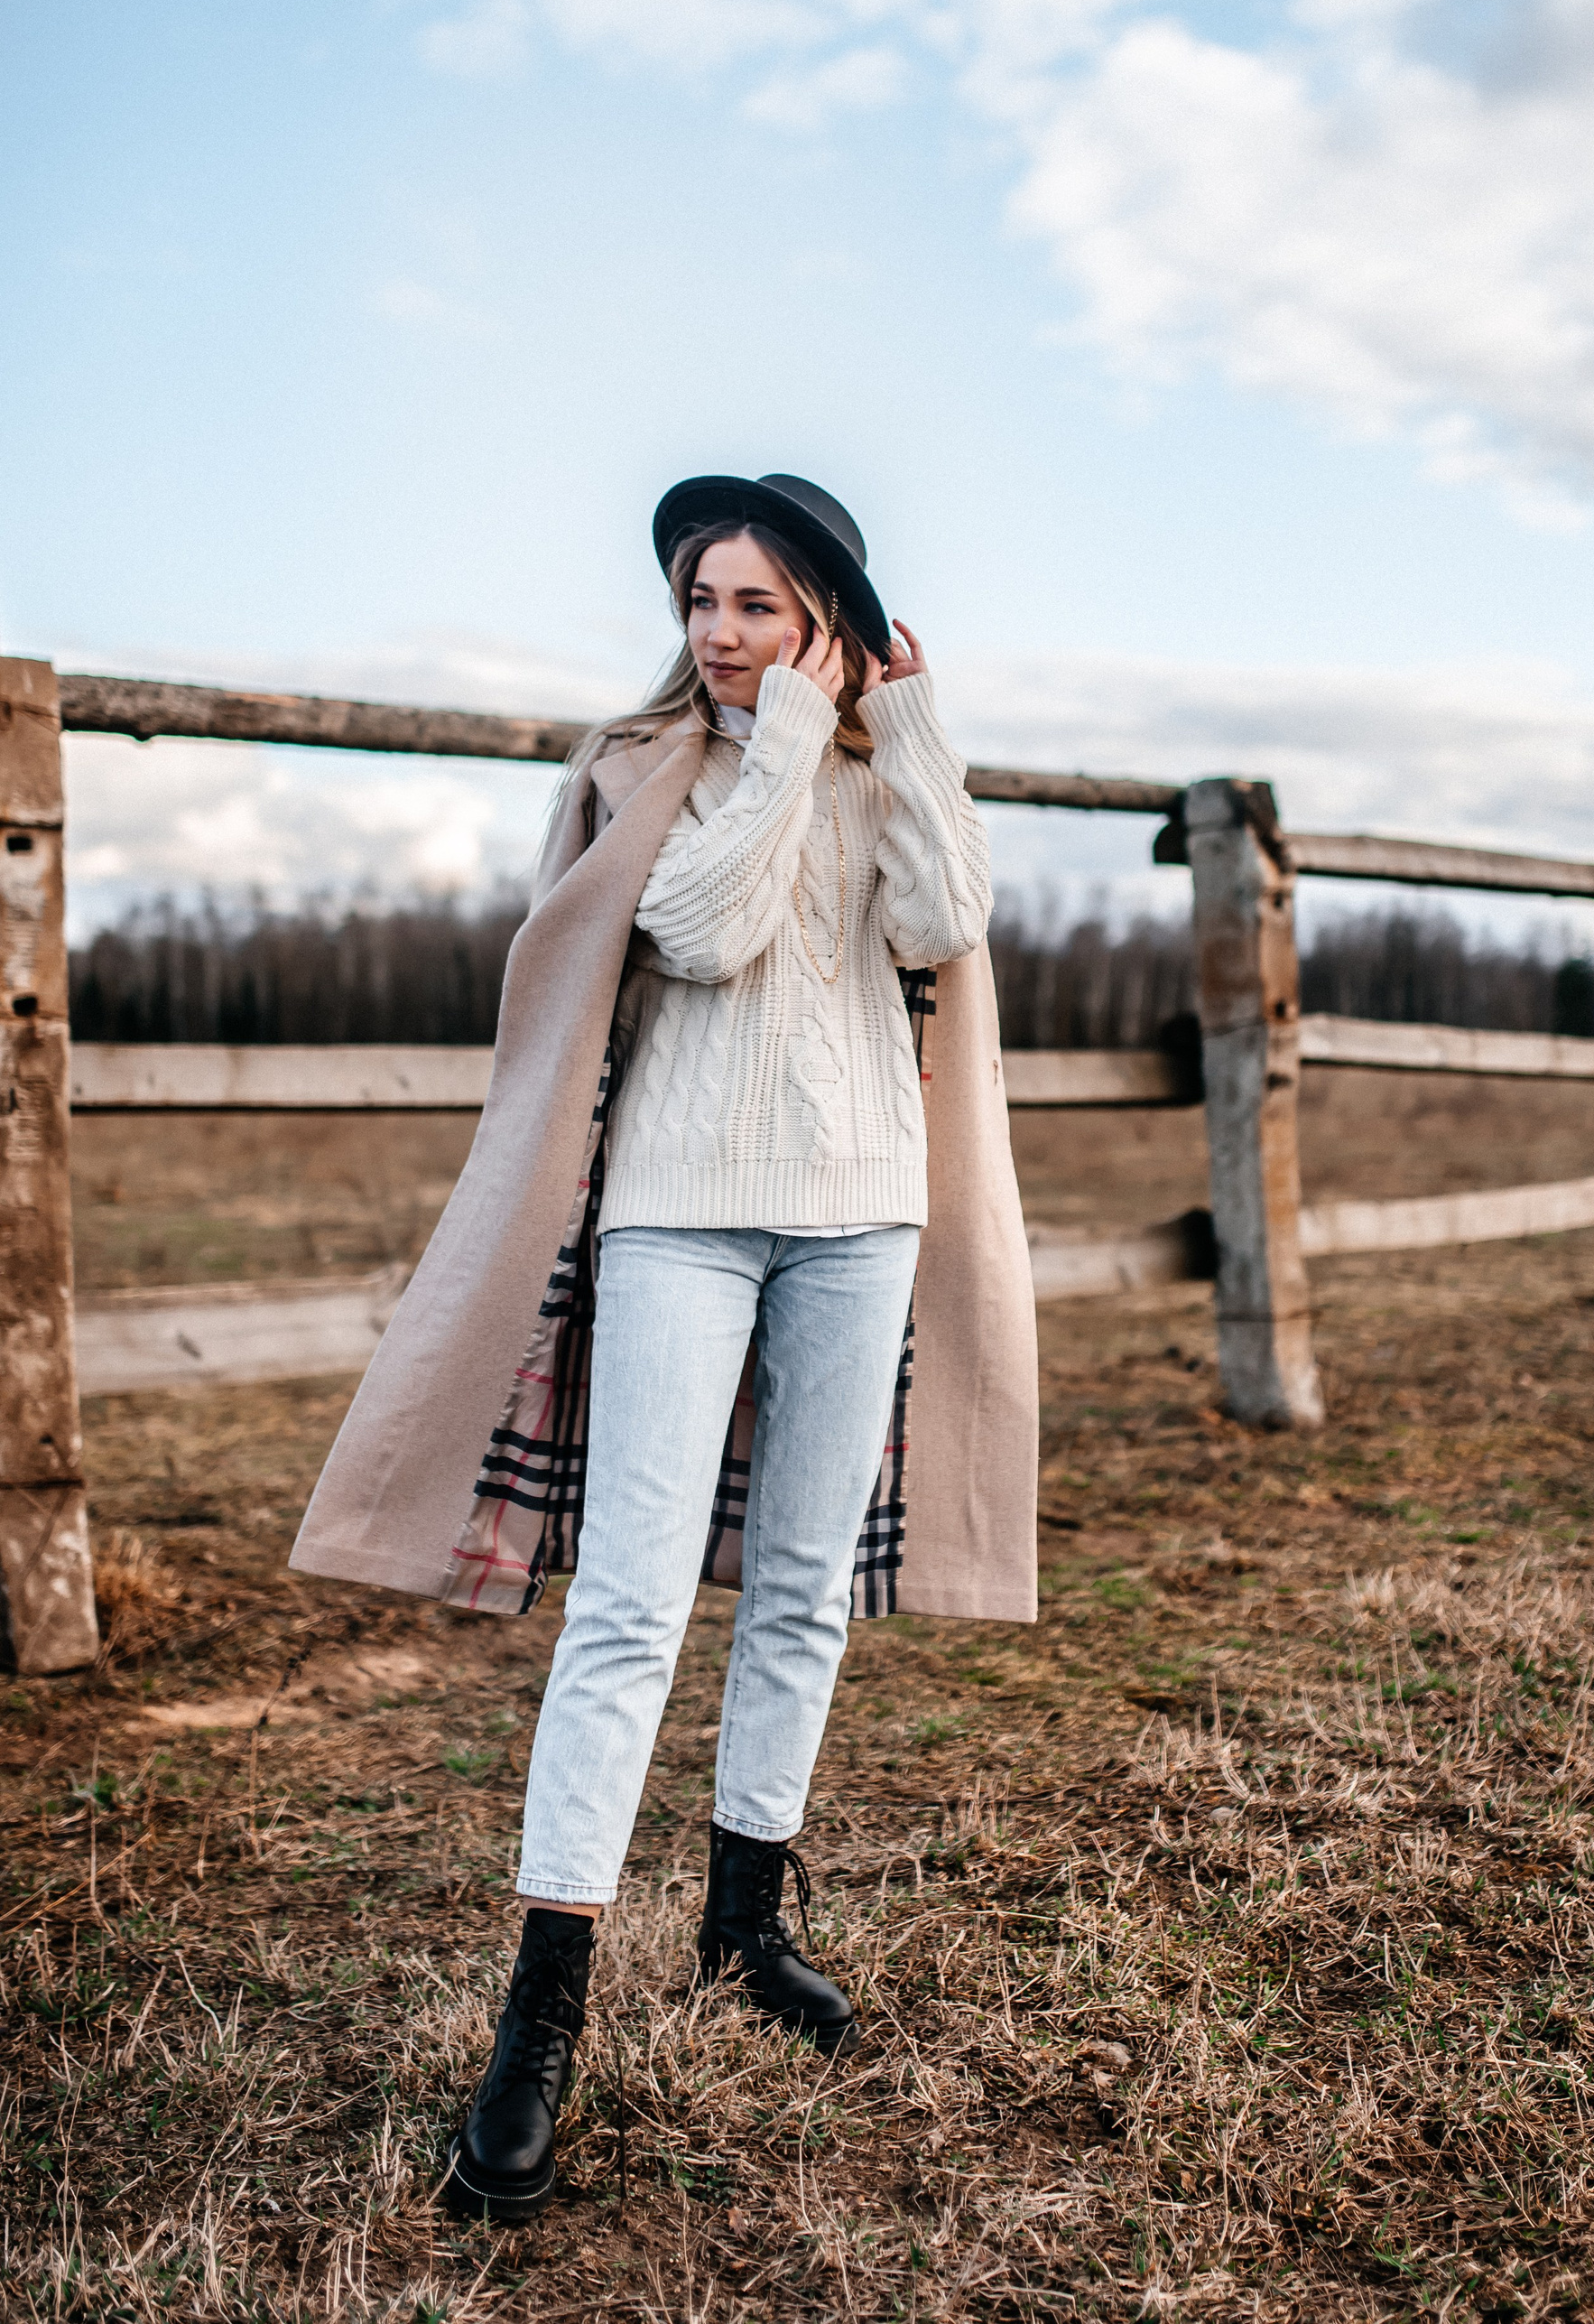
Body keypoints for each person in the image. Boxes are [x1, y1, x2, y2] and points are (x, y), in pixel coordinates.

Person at [287, 474, 1040, 2225]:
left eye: (757, 604)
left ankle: (744, 1921)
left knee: (799, 1589)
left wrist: (908, 729)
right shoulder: (643, 768)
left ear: (828, 621)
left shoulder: (884, 765)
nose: (717, 629)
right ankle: (541, 2013)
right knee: (628, 1607)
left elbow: (943, 922)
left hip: (864, 1217)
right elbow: (698, 931)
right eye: (702, 599)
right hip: (677, 1216)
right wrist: (773, 752)